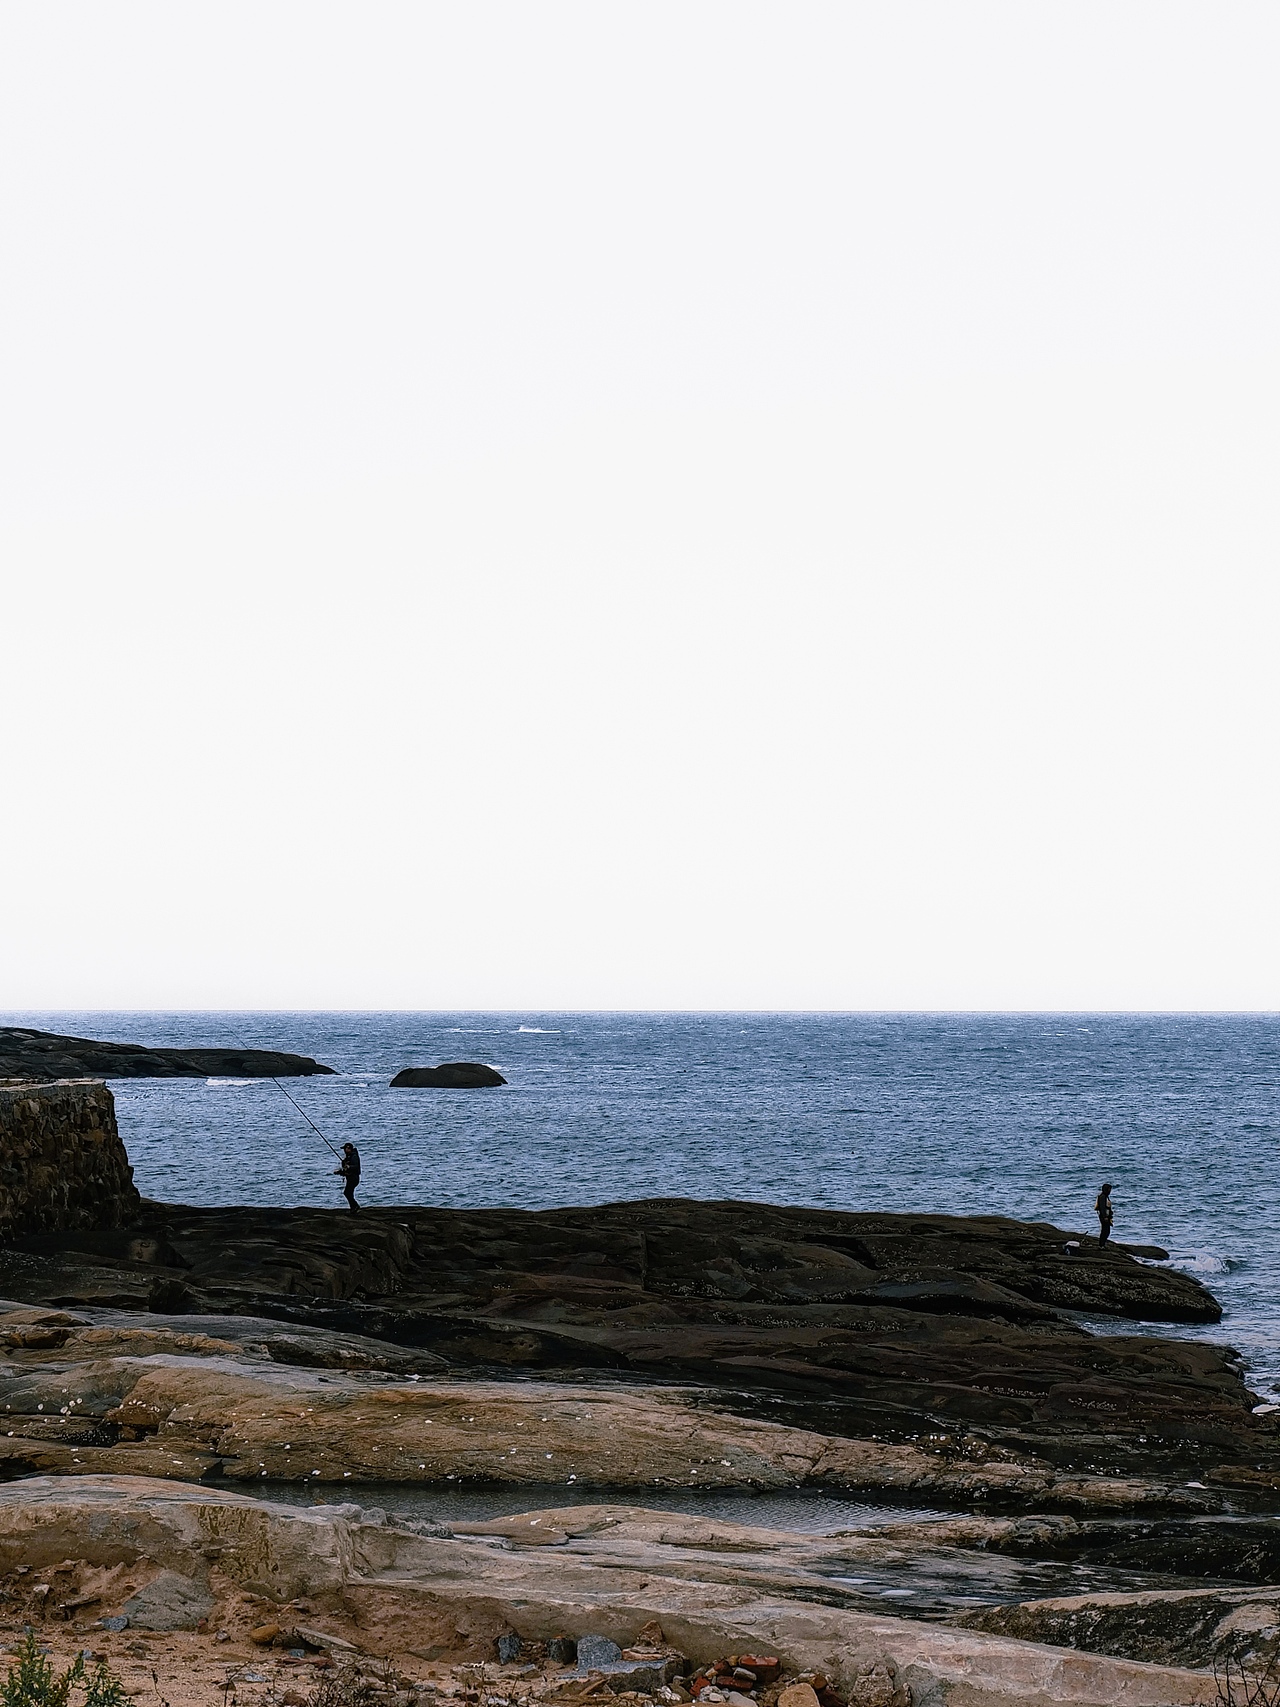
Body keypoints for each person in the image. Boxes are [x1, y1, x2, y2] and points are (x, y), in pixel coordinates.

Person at [335, 1142, 361, 1214]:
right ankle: (353, 1208)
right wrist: (340, 1172)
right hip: (350, 1178)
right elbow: (346, 1170)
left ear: (349, 1148)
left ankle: (355, 1206)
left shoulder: (354, 1156)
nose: (344, 1151)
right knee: (349, 1193)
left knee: (347, 1192)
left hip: (354, 1178)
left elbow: (356, 1167)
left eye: (345, 1149)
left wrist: (349, 1167)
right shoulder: (348, 1157)